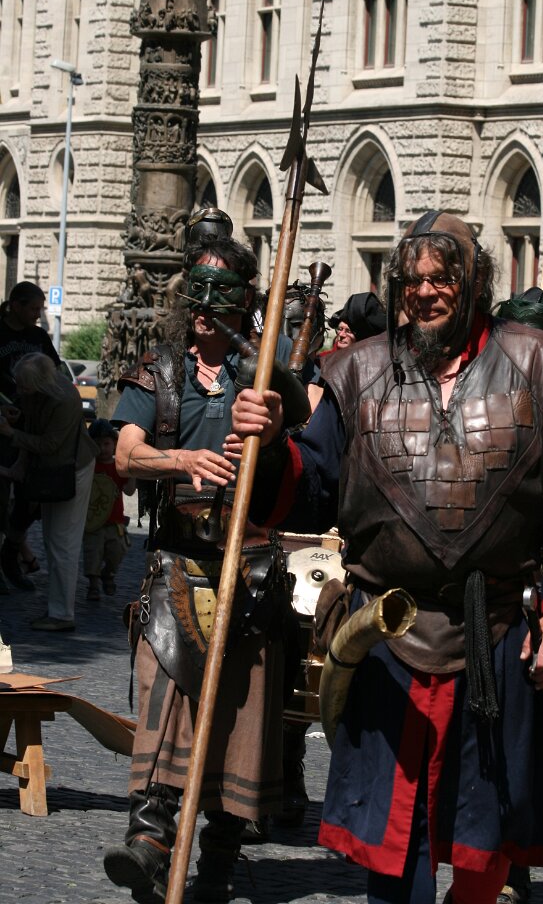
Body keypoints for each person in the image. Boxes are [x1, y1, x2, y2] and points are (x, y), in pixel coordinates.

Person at [233, 210, 543, 904]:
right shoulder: (357, 372)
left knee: (487, 837)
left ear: (474, 281)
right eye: (411, 280)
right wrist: (267, 449)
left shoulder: (539, 365)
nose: (424, 292)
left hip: (496, 631)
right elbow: (312, 487)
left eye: (442, 278)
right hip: (384, 635)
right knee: (393, 836)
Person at [103, 235, 303, 904]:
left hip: (249, 568)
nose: (204, 306)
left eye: (220, 293)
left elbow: (303, 449)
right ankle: (150, 842)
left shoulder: (266, 370)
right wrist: (183, 460)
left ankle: (217, 860)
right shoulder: (160, 371)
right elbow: (125, 454)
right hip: (176, 563)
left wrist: (271, 425)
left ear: (243, 302)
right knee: (162, 696)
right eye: (197, 289)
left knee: (239, 719)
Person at [0, 352, 97, 631]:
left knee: (62, 541)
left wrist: (11, 433)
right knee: (53, 539)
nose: (19, 391)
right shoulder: (40, 391)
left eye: (24, 386)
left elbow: (50, 444)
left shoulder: (63, 399)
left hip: (71, 469)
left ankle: (62, 614)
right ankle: (57, 608)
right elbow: (36, 425)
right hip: (56, 470)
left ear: (38, 384)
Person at [0, 281, 60, 591]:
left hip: (33, 427)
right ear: (16, 306)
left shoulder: (38, 337)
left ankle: (11, 555)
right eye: (34, 309)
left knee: (30, 500)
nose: (38, 315)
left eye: (40, 309)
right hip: (2, 429)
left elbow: (56, 373)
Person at [83, 418, 135, 601]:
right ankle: (93, 586)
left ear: (114, 444)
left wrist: (132, 472)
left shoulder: (118, 467)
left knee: (117, 552)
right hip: (92, 521)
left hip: (115, 521)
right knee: (92, 553)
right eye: (98, 444)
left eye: (106, 444)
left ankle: (108, 574)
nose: (102, 448)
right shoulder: (87, 466)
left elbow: (129, 491)